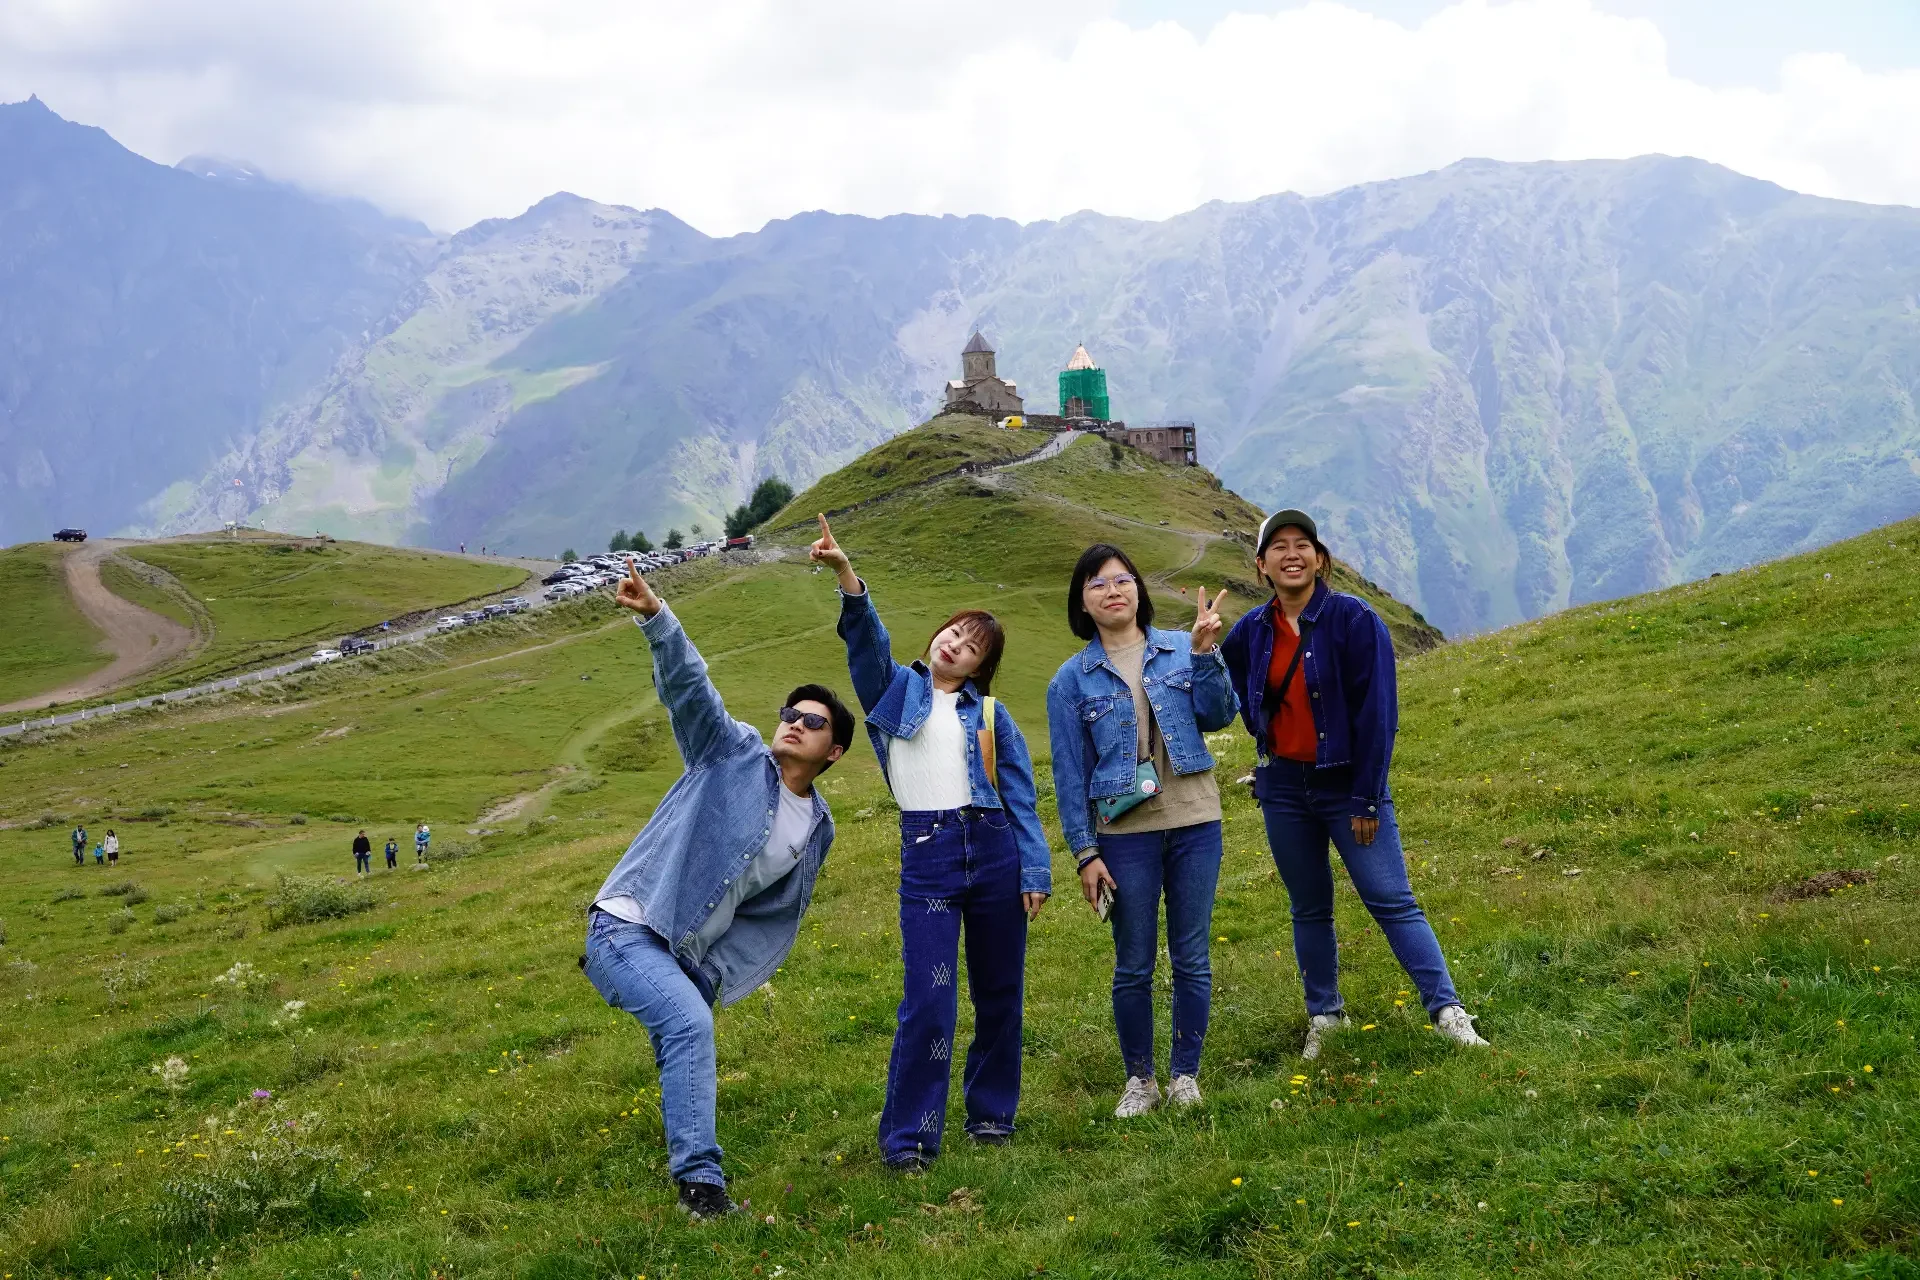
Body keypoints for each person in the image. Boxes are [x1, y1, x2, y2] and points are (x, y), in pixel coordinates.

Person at [581, 556, 854, 1220]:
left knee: (685, 1028)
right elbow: (692, 691)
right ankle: (700, 1191)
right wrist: (657, 619)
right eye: (792, 711)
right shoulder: (732, 754)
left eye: (813, 722)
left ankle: (682, 1153)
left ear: (835, 752)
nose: (795, 722)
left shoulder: (817, 828)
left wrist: (714, 972)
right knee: (687, 1027)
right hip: (627, 926)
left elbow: (769, 915)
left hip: (683, 954)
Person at [810, 515, 1051, 1172]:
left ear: (983, 665)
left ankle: (992, 1118)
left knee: (1001, 994)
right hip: (930, 859)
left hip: (994, 852)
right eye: (953, 632)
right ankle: (909, 1142)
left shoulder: (994, 717)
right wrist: (846, 578)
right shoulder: (895, 692)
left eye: (971, 645)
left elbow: (1022, 801)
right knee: (932, 1001)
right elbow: (866, 642)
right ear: (936, 636)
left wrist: (1035, 870)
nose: (955, 645)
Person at [1221, 510, 1487, 1060]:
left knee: (1392, 898)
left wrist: (1367, 794)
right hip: (1284, 790)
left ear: (1321, 559)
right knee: (1309, 907)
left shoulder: (1354, 620)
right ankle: (1326, 1016)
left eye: (1303, 545)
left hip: (1348, 787)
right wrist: (1200, 651)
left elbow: (1378, 715)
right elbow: (1222, 695)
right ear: (1261, 565)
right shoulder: (1250, 630)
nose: (1291, 555)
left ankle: (1447, 1011)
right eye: (1279, 547)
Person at [1046, 544, 1238, 1118]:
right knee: (1132, 961)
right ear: (1082, 601)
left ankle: (1184, 1075)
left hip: (1195, 820)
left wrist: (1206, 656)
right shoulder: (1070, 680)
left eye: (1122, 579)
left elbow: (1220, 714)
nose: (1113, 590)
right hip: (1123, 833)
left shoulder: (1181, 646)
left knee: (1192, 956)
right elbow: (1068, 771)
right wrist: (1084, 852)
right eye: (1098, 584)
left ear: (1138, 589)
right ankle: (1140, 1080)